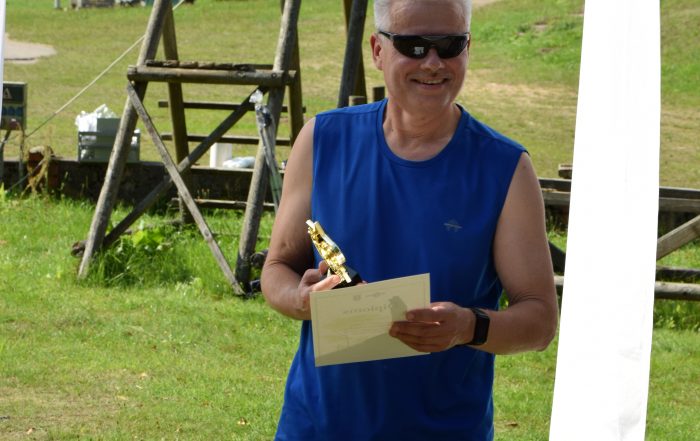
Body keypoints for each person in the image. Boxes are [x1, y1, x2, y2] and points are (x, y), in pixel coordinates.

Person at [261, 0, 559, 439]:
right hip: (317, 427)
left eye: (449, 45)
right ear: (378, 51)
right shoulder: (322, 139)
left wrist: (469, 327)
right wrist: (301, 300)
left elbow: (540, 320)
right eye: (414, 46)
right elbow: (278, 267)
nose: (433, 62)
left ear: (468, 48)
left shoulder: (505, 168)